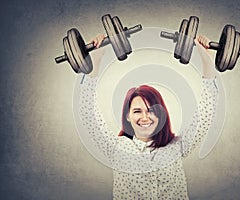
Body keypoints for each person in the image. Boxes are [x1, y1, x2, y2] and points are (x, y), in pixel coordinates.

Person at [79, 34, 218, 199]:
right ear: (128, 116)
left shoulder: (177, 146)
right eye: (137, 111)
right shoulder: (116, 147)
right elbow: (88, 113)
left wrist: (207, 60)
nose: (145, 117)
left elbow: (205, 114)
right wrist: (95, 60)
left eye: (151, 110)